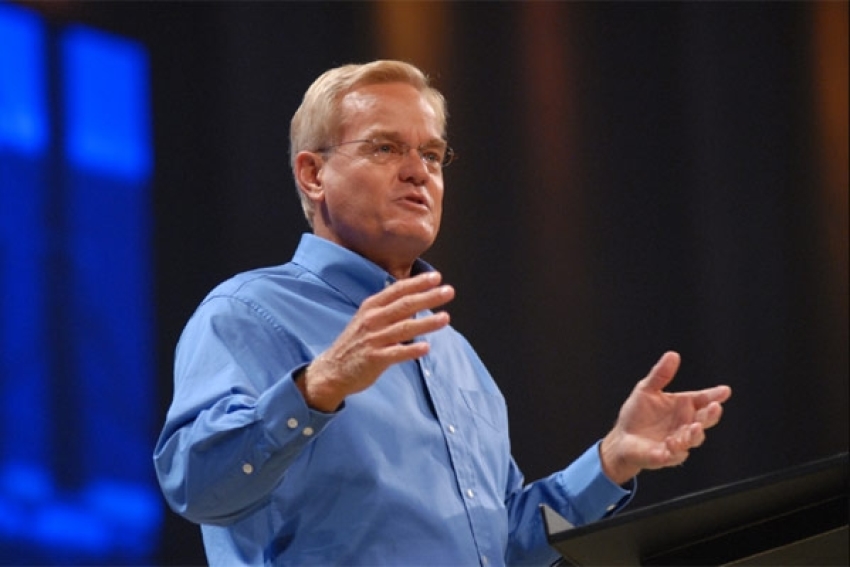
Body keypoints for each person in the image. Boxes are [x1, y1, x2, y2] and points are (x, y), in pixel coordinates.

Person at [153, 60, 732, 566]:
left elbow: (502, 548)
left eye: (431, 154)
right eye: (385, 147)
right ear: (313, 173)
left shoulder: (455, 355)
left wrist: (610, 462)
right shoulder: (248, 313)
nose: (418, 171)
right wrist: (320, 385)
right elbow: (196, 488)